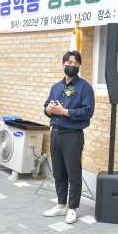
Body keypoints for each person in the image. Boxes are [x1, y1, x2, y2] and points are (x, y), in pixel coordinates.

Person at [42, 50, 94, 224]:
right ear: (63, 65)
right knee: (58, 172)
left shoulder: (84, 87)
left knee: (74, 173)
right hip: (55, 133)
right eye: (70, 63)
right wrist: (49, 109)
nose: (72, 66)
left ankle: (72, 208)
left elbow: (87, 111)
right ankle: (61, 205)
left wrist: (65, 111)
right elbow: (47, 106)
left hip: (72, 135)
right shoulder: (56, 87)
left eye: (76, 64)